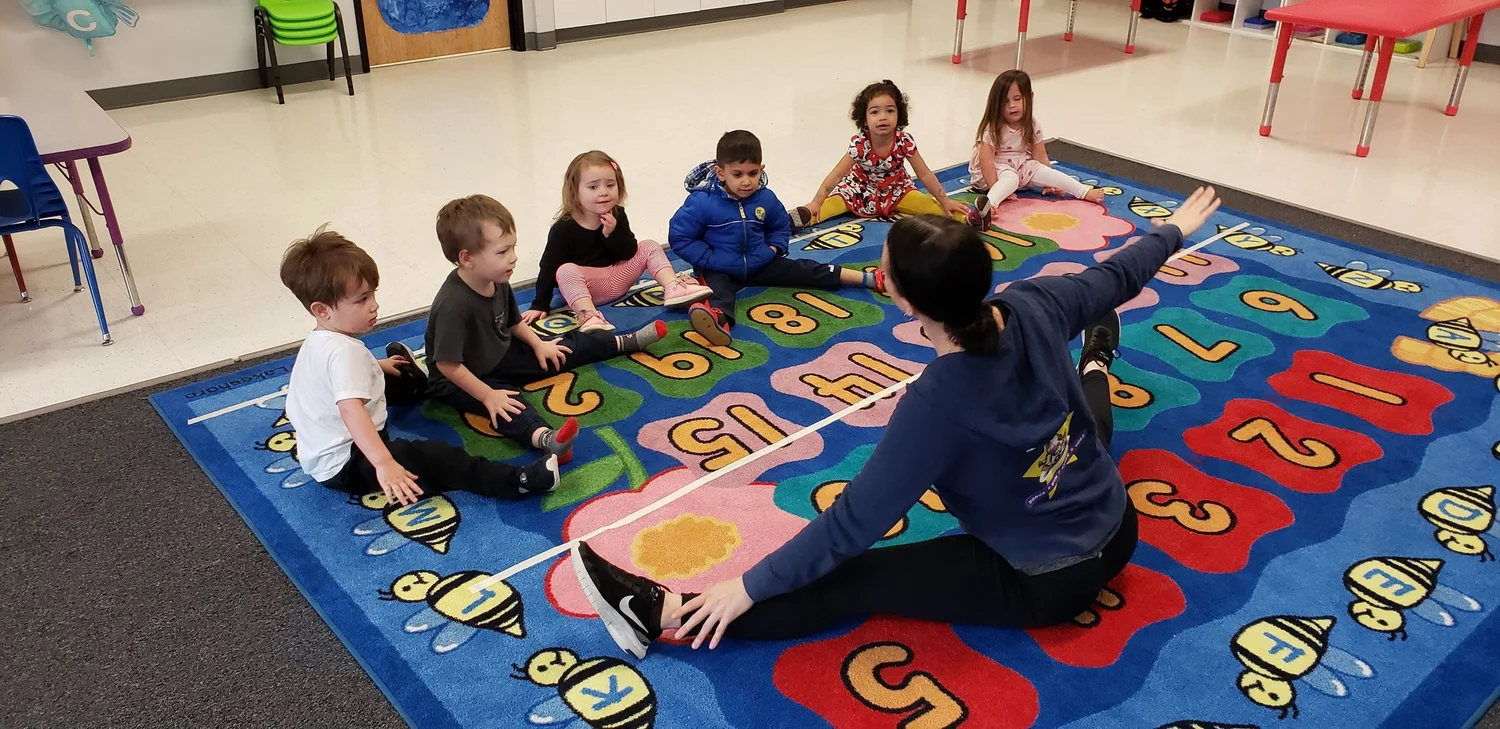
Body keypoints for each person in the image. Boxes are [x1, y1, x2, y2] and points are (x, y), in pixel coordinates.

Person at [574, 187, 1225, 658]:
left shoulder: (937, 403)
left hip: (1049, 580)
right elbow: (1117, 275)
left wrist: (747, 585)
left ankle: (663, 613)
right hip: (1120, 527)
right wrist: (1173, 230)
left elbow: (852, 525)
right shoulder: (1036, 299)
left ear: (904, 300)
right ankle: (1098, 360)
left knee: (855, 580)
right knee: (1090, 433)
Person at [279, 226, 559, 507]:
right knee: (433, 458)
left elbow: (330, 377)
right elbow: (351, 411)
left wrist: (376, 366)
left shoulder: (319, 341)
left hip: (322, 451)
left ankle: (412, 380)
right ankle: (518, 481)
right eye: (362, 299)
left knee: (393, 377)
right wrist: (384, 462)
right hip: (349, 461)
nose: (374, 306)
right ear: (322, 310)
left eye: (373, 294)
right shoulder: (344, 354)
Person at [424, 195, 666, 460]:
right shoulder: (453, 304)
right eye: (503, 252)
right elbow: (447, 365)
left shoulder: (497, 277)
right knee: (506, 406)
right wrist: (488, 395)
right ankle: (545, 438)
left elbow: (514, 322)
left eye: (513, 248)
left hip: (497, 353)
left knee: (558, 349)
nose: (514, 258)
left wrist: (539, 345)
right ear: (467, 258)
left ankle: (621, 342)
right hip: (460, 377)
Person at [669, 130, 885, 347]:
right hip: (720, 269)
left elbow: (779, 225)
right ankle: (717, 321)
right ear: (720, 173)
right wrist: (708, 259)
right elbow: (680, 236)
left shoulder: (766, 198)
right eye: (738, 174)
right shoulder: (702, 202)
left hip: (761, 262)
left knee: (806, 269)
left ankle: (868, 278)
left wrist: (773, 248)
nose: (746, 182)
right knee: (718, 294)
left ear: (761, 169)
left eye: (753, 173)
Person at [523, 151, 712, 335]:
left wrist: (612, 234)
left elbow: (628, 252)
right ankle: (589, 316)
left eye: (610, 185)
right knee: (565, 270)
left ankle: (673, 287)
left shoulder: (617, 214)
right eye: (593, 187)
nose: (604, 193)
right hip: (589, 288)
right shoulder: (563, 229)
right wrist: (540, 304)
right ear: (575, 191)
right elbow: (548, 267)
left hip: (620, 278)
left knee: (649, 245)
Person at [789, 79, 971, 229]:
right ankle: (800, 218)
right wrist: (816, 201)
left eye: (890, 111)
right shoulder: (860, 144)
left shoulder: (904, 141)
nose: (883, 117)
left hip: (897, 190)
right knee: (829, 205)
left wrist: (945, 200)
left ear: (899, 115)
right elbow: (836, 175)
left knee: (931, 207)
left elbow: (924, 174)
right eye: (875, 112)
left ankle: (970, 219)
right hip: (858, 190)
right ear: (865, 119)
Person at [968, 70, 1106, 229]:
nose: (1012, 105)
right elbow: (986, 162)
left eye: (1017, 99)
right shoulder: (992, 128)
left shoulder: (1032, 125)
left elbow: (1040, 157)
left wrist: (1048, 183)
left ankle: (1083, 191)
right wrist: (996, 187)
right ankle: (987, 207)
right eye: (1005, 102)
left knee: (1044, 171)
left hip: (1020, 166)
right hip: (992, 170)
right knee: (1011, 178)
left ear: (1030, 97)